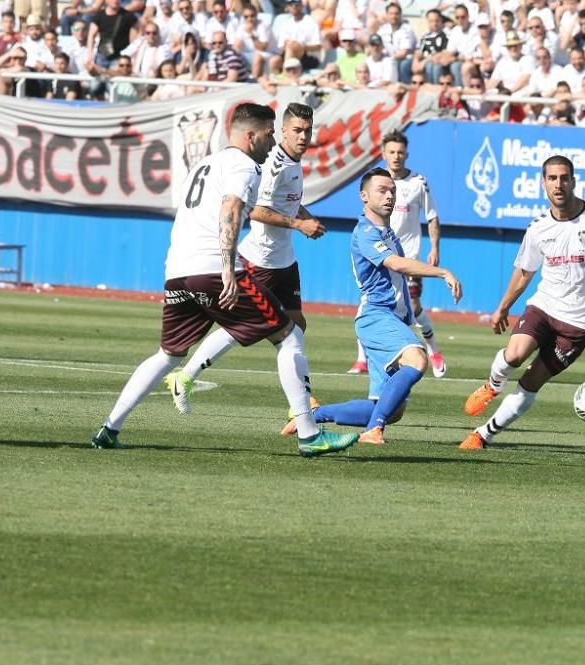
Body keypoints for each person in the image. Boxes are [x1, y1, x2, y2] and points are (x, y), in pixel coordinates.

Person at [91, 103, 356, 458]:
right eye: (268, 134)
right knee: (289, 334)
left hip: (177, 272)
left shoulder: (205, 163)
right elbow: (231, 209)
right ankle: (310, 435)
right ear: (250, 136)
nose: (272, 140)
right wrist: (229, 267)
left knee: (168, 354)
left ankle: (109, 428)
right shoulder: (244, 165)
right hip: (213, 268)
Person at [458, 155, 585, 451]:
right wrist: (503, 306)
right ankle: (492, 385)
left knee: (532, 380)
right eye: (552, 178)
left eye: (564, 178)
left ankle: (483, 434)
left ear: (574, 181)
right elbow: (525, 272)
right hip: (545, 305)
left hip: (579, 323)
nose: (558, 184)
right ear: (544, 183)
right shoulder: (538, 228)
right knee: (514, 355)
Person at [166, 103, 326, 413]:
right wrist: (298, 224)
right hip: (260, 260)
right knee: (252, 327)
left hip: (284, 260)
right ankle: (185, 377)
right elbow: (256, 210)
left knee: (296, 325)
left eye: (308, 131)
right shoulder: (272, 165)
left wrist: (305, 216)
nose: (303, 136)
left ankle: (303, 401)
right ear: (282, 131)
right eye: (297, 131)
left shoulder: (294, 163)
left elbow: (288, 202)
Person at [296, 167, 462, 446]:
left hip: (391, 319)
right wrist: (442, 272)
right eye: (382, 190)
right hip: (376, 316)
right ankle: (373, 431)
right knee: (417, 360)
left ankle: (315, 414)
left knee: (391, 409)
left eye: (392, 191)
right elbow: (396, 264)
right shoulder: (366, 232)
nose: (389, 196)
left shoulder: (386, 232)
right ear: (364, 195)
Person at [348, 131, 447, 378]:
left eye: (400, 152)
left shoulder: (418, 182)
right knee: (373, 300)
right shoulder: (376, 183)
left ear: (407, 154)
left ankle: (432, 350)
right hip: (382, 254)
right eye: (391, 152)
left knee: (411, 304)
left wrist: (434, 247)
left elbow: (432, 216)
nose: (396, 156)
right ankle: (364, 359)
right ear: (384, 154)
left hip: (408, 255)